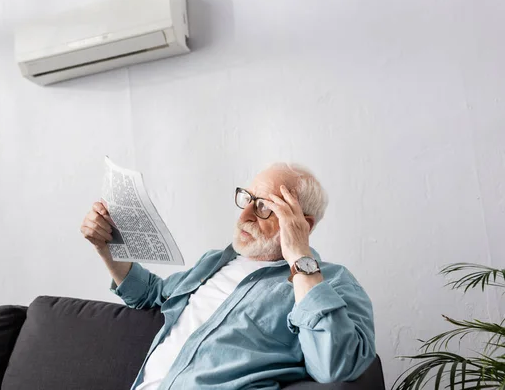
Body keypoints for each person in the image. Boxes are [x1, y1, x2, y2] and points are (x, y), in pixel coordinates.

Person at [80, 163, 375, 390]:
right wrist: (106, 247)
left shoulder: (331, 282)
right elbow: (149, 295)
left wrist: (300, 258)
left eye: (263, 207)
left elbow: (336, 365)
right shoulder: (216, 262)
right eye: (247, 198)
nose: (245, 214)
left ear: (302, 224)